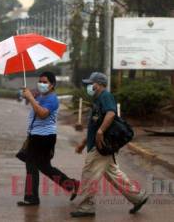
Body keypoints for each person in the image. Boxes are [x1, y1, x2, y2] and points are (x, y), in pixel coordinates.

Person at [70, 72, 148, 218]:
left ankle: (87, 207)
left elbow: (111, 114)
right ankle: (138, 197)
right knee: (114, 174)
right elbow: (94, 126)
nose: (89, 86)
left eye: (91, 83)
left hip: (101, 146)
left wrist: (101, 131)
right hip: (99, 145)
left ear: (98, 84)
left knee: (89, 174)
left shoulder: (105, 96)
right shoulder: (98, 99)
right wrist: (83, 143)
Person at [17, 71, 79, 206]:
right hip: (37, 136)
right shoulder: (41, 96)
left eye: (45, 82)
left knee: (31, 166)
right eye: (40, 81)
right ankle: (71, 184)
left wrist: (32, 99)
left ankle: (32, 198)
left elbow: (43, 114)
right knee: (44, 167)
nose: (41, 84)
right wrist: (29, 96)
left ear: (52, 85)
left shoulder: (52, 99)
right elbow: (34, 107)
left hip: (44, 138)